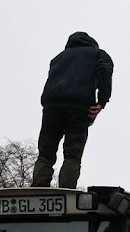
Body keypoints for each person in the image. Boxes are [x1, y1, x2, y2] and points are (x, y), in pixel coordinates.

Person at [32, 32, 114, 189]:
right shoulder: (97, 54)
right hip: (78, 106)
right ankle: (66, 190)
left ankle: (39, 187)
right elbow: (105, 71)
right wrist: (102, 101)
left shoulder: (58, 58)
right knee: (72, 154)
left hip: (52, 107)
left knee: (45, 153)